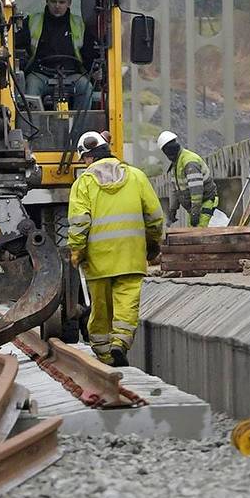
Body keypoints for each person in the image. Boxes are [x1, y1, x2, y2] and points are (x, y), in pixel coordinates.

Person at [66, 131, 164, 367]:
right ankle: (120, 343)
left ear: (87, 158)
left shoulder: (83, 184)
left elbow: (80, 222)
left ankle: (105, 356)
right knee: (127, 304)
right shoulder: (136, 177)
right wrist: (152, 244)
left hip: (98, 262)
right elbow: (154, 216)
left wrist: (77, 251)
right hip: (131, 257)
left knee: (100, 309)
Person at [16, 0, 98, 111]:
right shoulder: (32, 22)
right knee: (31, 88)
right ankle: (34, 128)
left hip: (72, 74)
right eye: (53, 2)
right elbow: (17, 45)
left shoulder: (80, 25)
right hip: (41, 74)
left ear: (69, 2)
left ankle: (80, 130)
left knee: (86, 88)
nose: (57, 6)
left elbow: (89, 53)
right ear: (47, 0)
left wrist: (94, 70)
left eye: (61, 2)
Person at [157, 130, 219, 227]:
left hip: (205, 201)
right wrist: (173, 210)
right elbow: (175, 189)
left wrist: (195, 213)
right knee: (192, 233)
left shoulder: (189, 162)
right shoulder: (176, 164)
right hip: (195, 206)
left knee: (198, 235)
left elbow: (196, 190)